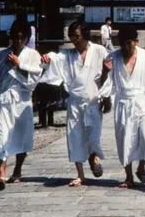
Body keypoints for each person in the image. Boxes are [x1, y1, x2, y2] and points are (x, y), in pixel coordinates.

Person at [0, 20, 43, 190]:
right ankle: (1, 176)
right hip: (2, 101)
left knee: (22, 136)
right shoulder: (0, 55)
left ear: (26, 38)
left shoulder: (33, 55)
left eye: (21, 38)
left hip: (22, 101)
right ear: (11, 37)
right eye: (15, 37)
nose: (18, 41)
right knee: (1, 137)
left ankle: (18, 170)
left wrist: (19, 66)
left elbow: (34, 80)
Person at [40, 22, 110, 187]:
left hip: (93, 100)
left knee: (93, 135)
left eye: (77, 37)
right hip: (75, 101)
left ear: (85, 35)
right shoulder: (68, 54)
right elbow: (55, 57)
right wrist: (47, 58)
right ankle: (80, 174)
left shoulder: (99, 51)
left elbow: (108, 74)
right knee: (75, 136)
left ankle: (93, 156)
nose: (74, 40)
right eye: (72, 37)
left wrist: (107, 97)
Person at [102, 24, 145, 188]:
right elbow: (105, 82)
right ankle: (128, 176)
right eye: (122, 43)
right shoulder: (113, 57)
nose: (125, 47)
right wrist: (104, 71)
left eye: (129, 43)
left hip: (143, 102)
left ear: (136, 41)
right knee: (125, 139)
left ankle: (142, 167)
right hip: (124, 102)